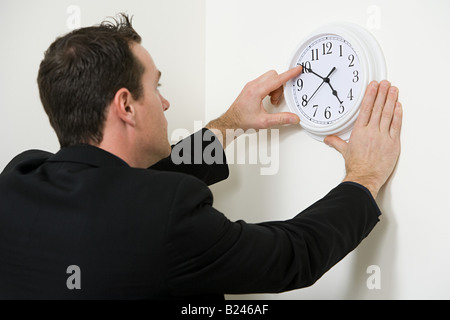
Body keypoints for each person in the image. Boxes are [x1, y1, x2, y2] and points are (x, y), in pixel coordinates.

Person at [0, 14, 402, 299]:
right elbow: (290, 257)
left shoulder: (18, 180)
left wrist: (229, 124)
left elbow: (119, 192)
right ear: (126, 106)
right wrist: (364, 177)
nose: (166, 101)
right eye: (156, 87)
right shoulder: (168, 213)